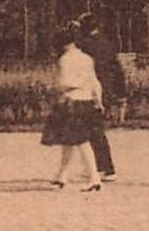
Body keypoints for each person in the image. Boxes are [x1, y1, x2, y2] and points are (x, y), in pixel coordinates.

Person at [40, 25, 104, 192]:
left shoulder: (65, 60)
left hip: (72, 103)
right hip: (87, 101)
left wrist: (58, 89)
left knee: (81, 142)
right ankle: (62, 176)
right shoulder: (87, 58)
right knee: (70, 141)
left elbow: (64, 82)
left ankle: (94, 178)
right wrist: (99, 100)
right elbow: (95, 82)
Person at [77, 13, 126, 182]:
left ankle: (105, 167)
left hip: (90, 91)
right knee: (94, 129)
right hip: (107, 91)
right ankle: (98, 166)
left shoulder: (84, 46)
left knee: (93, 130)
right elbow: (118, 70)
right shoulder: (107, 44)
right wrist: (121, 95)